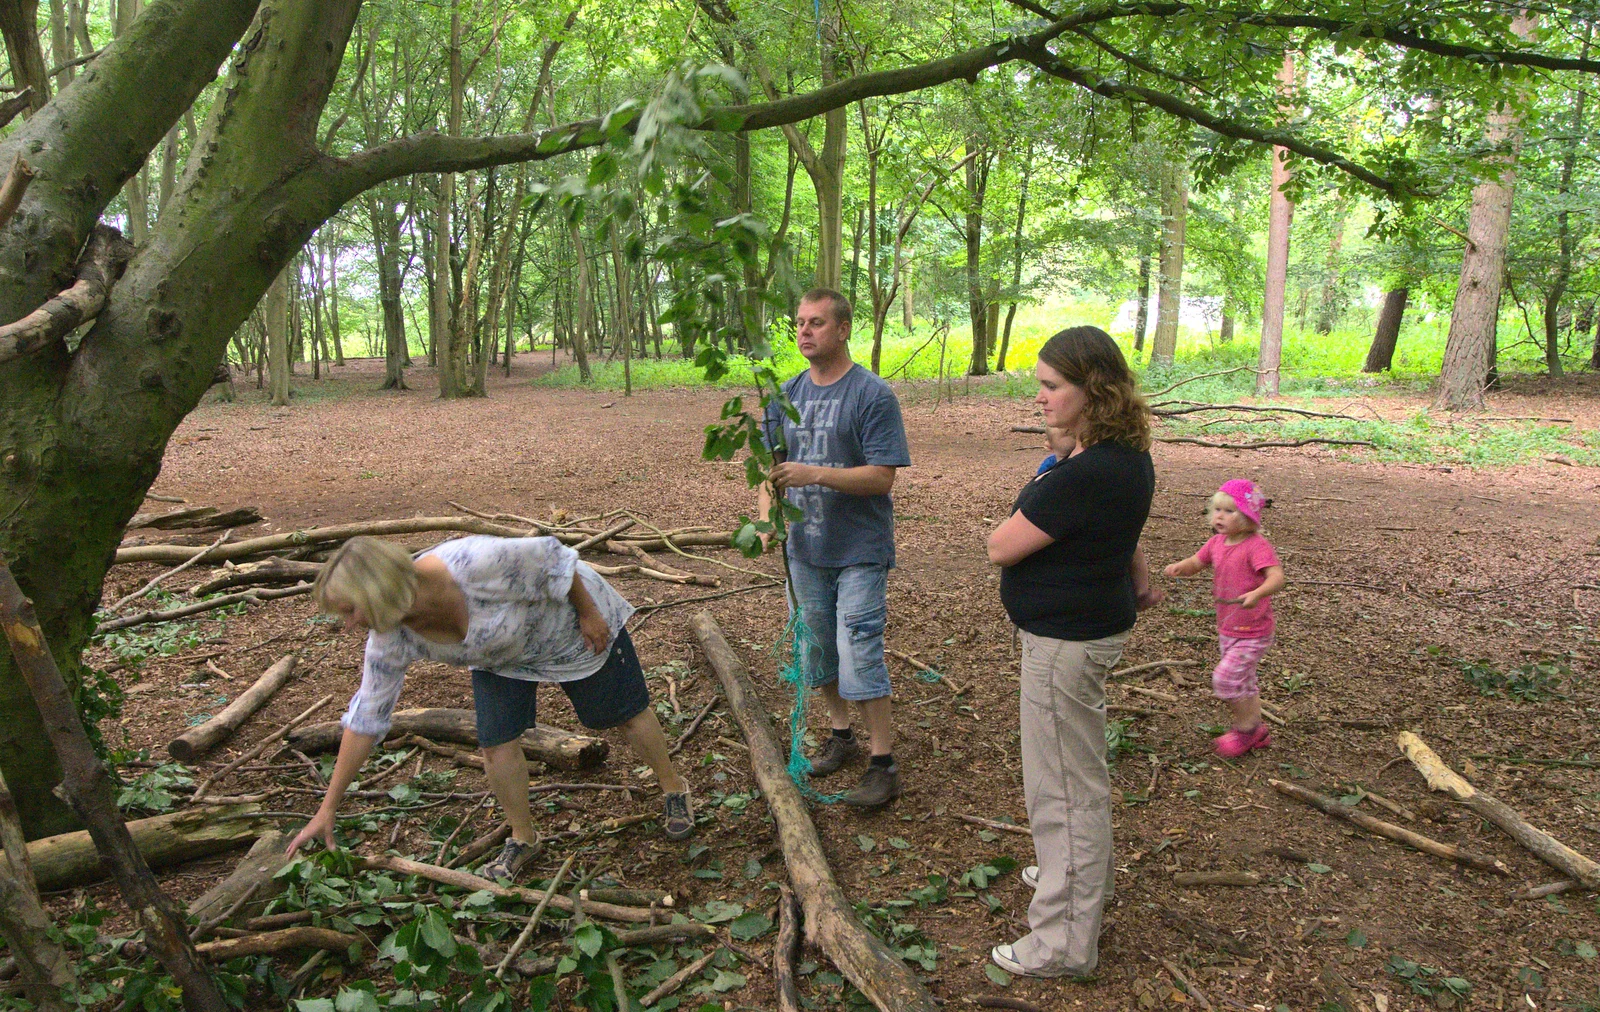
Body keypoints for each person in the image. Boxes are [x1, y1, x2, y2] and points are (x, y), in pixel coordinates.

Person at [285, 535, 695, 881]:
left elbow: (554, 558)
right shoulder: (391, 635)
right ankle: (524, 838)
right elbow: (366, 719)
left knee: (622, 714)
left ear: (378, 592)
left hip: (567, 626)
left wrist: (588, 612)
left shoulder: (475, 564)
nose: (349, 625)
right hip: (499, 655)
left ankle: (674, 788)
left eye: (349, 610)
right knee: (496, 742)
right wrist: (328, 808)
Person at [985, 325, 1159, 979]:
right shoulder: (1121, 455)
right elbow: (1116, 532)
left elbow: (1002, 544)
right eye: (1040, 386)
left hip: (1065, 646)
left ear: (1093, 390)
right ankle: (1077, 874)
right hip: (1076, 634)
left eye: (1051, 387)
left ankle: (1062, 940)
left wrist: (1053, 466)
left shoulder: (1082, 474)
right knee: (1073, 777)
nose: (1040, 398)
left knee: (1061, 790)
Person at [758, 287, 912, 807]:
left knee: (858, 649)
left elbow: (882, 477)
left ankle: (883, 762)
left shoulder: (872, 395)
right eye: (800, 322)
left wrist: (815, 474)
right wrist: (766, 521)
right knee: (817, 646)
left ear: (843, 329)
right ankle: (840, 736)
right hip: (804, 549)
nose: (804, 331)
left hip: (859, 550)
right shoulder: (785, 394)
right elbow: (770, 472)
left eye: (817, 323)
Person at [1162, 479, 1285, 758]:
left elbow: (1277, 577)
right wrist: (1182, 567)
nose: (1219, 516)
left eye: (1229, 511)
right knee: (1244, 681)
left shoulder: (1256, 546)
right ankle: (1258, 730)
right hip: (1228, 627)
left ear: (1247, 516)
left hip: (1253, 629)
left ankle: (1246, 729)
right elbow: (1198, 562)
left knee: (1226, 680)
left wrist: (1257, 593)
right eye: (1217, 509)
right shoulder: (1217, 542)